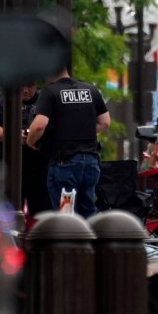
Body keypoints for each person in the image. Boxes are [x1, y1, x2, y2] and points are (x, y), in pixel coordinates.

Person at [27, 68, 110, 218]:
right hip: (91, 163)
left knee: (66, 214)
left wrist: (30, 141)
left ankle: (69, 241)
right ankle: (89, 241)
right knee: (88, 212)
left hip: (65, 163)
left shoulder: (50, 91)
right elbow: (105, 122)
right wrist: (82, 131)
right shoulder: (90, 90)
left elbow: (39, 125)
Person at [0, 82, 53, 218]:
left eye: (30, 85)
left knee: (44, 216)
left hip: (40, 168)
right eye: (22, 85)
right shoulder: (0, 101)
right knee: (7, 216)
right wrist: (14, 135)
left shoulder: (46, 99)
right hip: (9, 168)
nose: (26, 90)